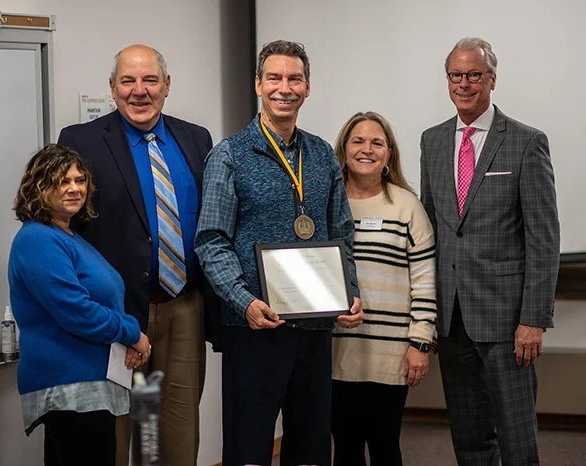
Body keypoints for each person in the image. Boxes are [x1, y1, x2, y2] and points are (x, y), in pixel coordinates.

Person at [194, 40, 364, 466]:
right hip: (255, 327)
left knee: (309, 448)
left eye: (294, 79)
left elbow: (342, 233)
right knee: (249, 448)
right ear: (258, 84)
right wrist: (243, 301)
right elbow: (211, 241)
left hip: (314, 328)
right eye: (274, 78)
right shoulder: (228, 155)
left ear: (307, 88)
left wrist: (350, 291)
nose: (283, 88)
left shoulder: (323, 154)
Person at [57, 44, 213, 466]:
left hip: (183, 308)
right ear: (112, 88)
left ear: (167, 86)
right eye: (128, 81)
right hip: (117, 314)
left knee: (174, 436)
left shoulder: (197, 139)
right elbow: (65, 229)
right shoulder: (80, 141)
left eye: (149, 80)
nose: (139, 91)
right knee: (118, 433)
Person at [420, 37, 560, 465]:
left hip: (506, 321)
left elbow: (543, 238)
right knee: (469, 436)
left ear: (492, 80)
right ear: (447, 81)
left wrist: (533, 320)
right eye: (456, 75)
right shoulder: (433, 140)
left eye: (474, 74)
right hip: (452, 319)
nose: (464, 83)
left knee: (517, 438)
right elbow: (433, 229)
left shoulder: (525, 141)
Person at [8, 144, 151, 466]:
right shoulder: (38, 239)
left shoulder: (68, 236)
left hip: (87, 386)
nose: (75, 188)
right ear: (38, 188)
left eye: (80, 180)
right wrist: (132, 332)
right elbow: (78, 311)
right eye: (62, 181)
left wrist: (123, 336)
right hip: (69, 388)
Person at [331, 112, 437, 465]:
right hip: (334, 352)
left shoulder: (407, 206)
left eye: (377, 143)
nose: (367, 149)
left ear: (389, 153)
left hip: (390, 355)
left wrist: (419, 343)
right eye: (357, 141)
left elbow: (425, 280)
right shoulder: (326, 204)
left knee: (385, 447)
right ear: (343, 149)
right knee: (344, 449)